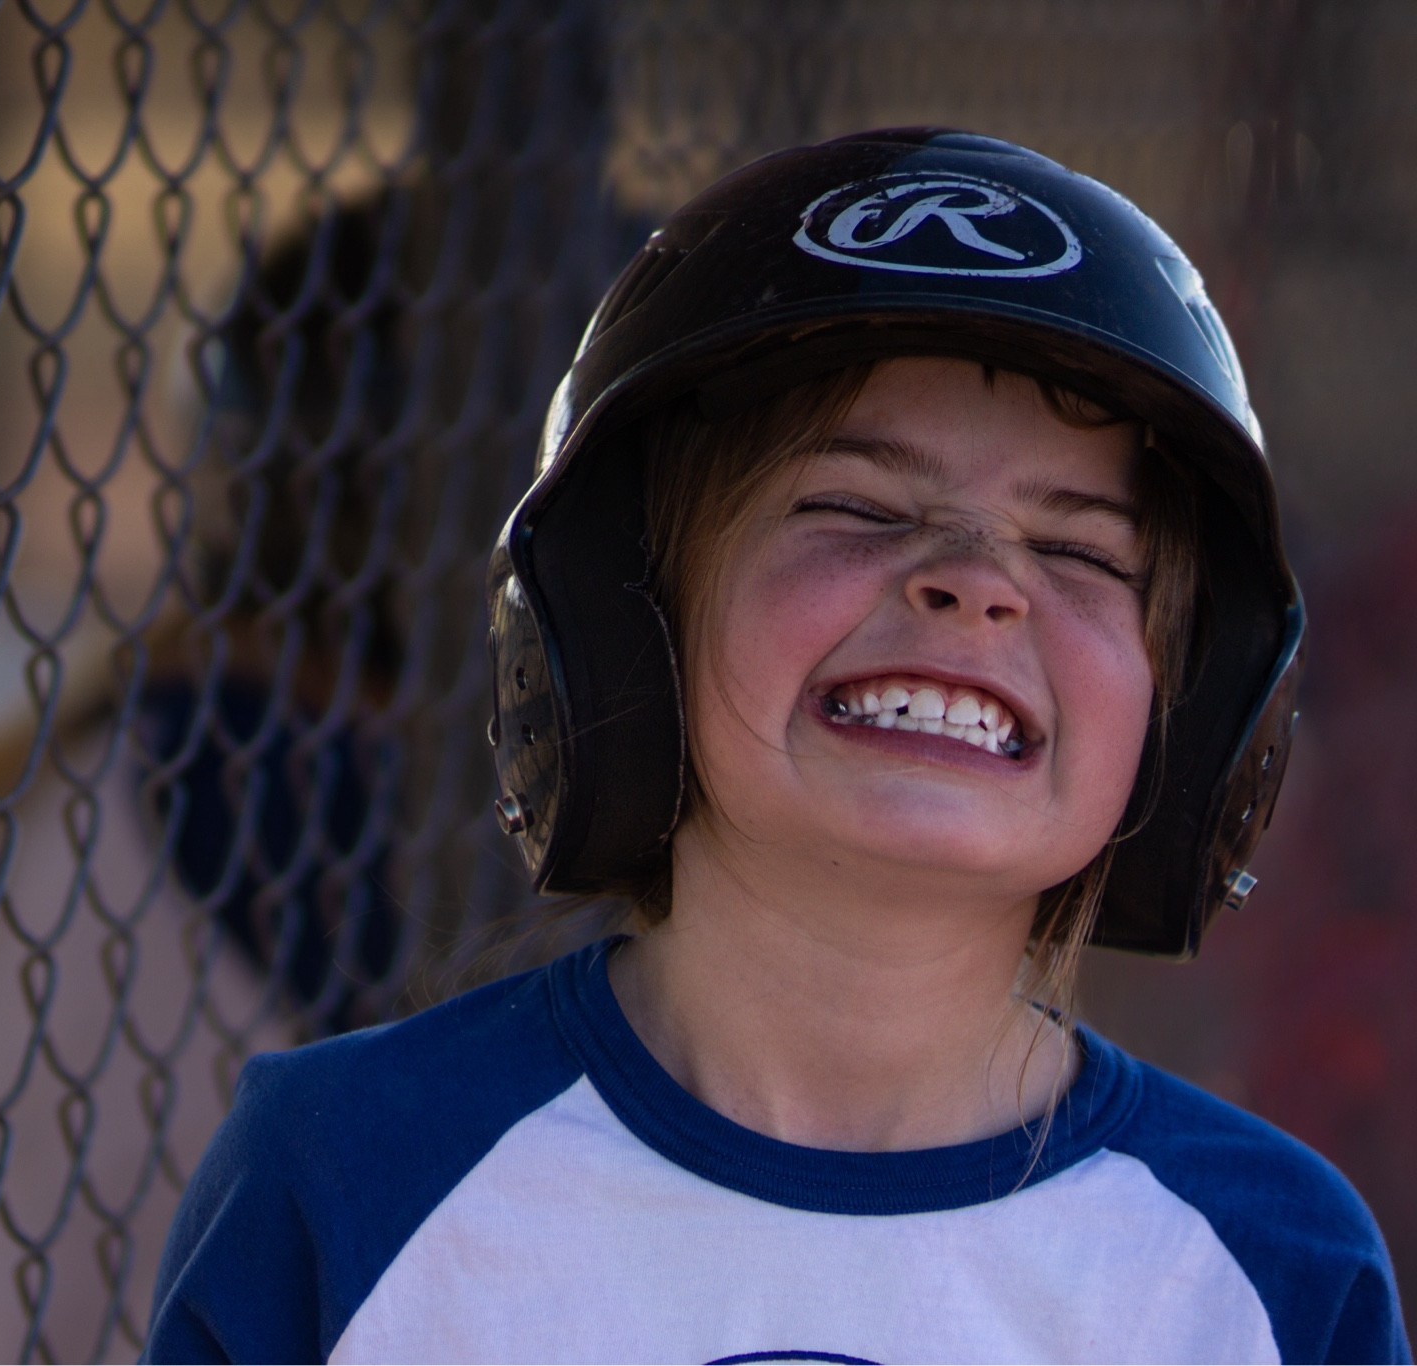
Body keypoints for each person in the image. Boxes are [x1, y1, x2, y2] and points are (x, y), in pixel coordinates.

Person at [141, 129, 1410, 1363]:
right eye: (853, 507)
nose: (974, 586)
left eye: (1077, 549)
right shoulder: (356, 1173)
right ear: (625, 621)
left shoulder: (1260, 1268)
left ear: (1184, 715)